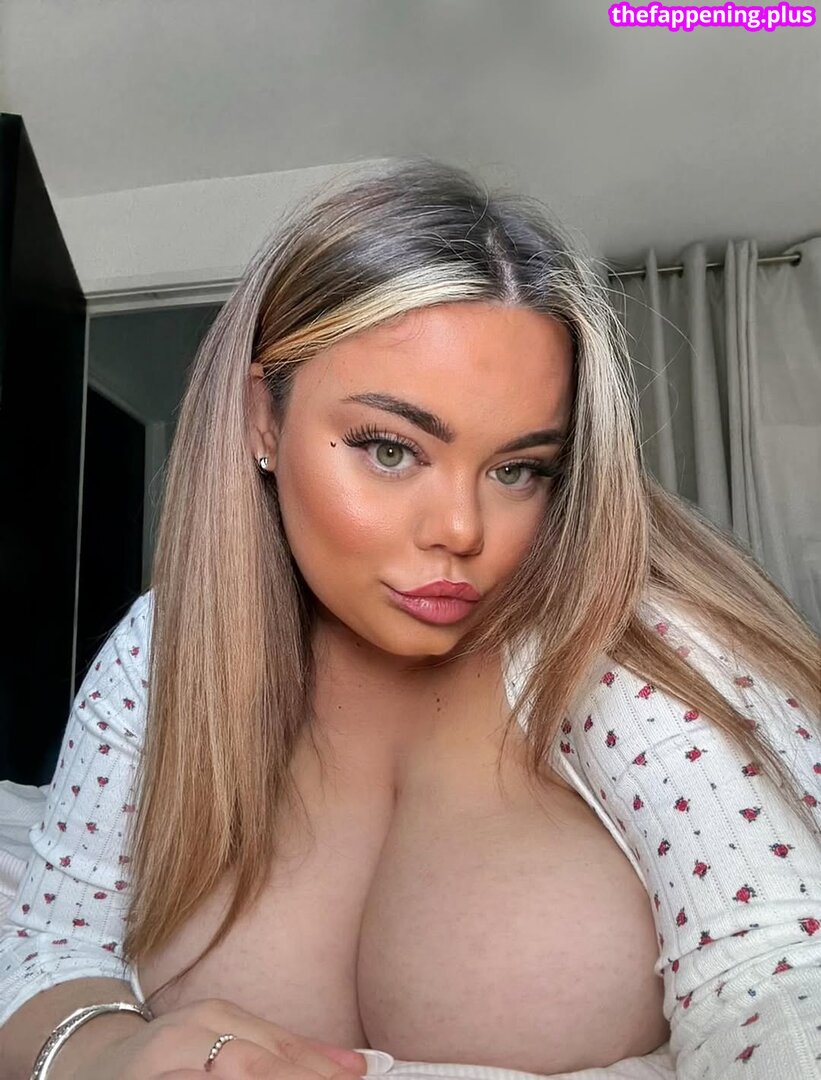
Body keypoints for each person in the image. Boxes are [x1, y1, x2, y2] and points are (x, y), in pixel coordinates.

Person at [0, 158, 818, 1080]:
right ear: (261, 419)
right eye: (391, 449)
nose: (461, 530)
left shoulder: (639, 650)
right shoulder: (164, 654)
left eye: (518, 469)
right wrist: (109, 1052)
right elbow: (52, 949)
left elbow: (779, 981)